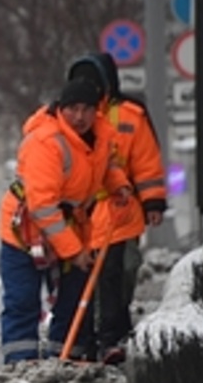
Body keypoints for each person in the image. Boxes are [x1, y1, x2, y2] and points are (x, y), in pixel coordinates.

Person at [0, 77, 132, 365]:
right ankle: (21, 364)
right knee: (23, 299)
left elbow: (105, 164)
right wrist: (74, 251)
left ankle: (66, 358)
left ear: (96, 111)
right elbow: (43, 206)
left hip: (71, 225)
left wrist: (118, 184)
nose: (80, 117)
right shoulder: (46, 142)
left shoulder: (101, 136)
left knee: (74, 298)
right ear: (61, 108)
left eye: (87, 109)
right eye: (73, 109)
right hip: (26, 231)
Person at [67, 52, 168, 365]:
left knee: (120, 271)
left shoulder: (130, 115)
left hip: (120, 210)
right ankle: (90, 339)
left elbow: (146, 162)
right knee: (87, 278)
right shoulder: (71, 117)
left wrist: (152, 201)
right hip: (81, 213)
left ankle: (113, 334)